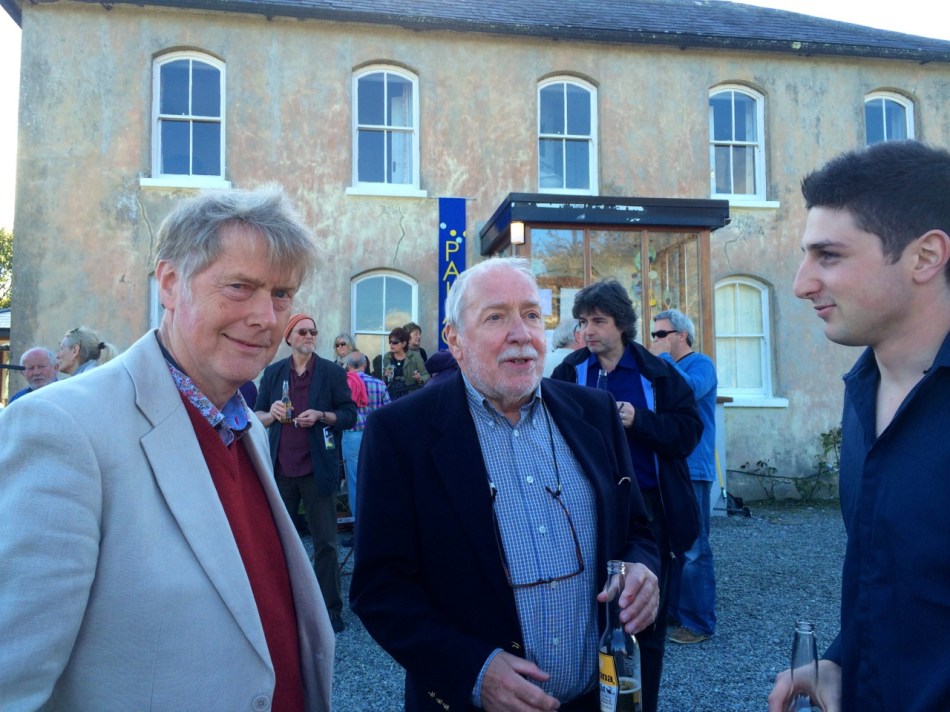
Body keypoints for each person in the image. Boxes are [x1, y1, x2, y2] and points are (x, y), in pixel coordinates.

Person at [0, 185, 334, 710]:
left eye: (281, 294)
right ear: (171, 284)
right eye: (240, 287)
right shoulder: (62, 428)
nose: (267, 318)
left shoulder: (247, 427)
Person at [351, 257, 661, 712]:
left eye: (531, 315)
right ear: (454, 341)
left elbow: (637, 529)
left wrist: (641, 570)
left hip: (598, 700)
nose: (521, 333)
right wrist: (471, 671)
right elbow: (380, 588)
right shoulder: (401, 434)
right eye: (496, 317)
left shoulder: (594, 413)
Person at [768, 141, 950, 712]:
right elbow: (898, 579)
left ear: (925, 257)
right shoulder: (862, 391)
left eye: (829, 256)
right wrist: (844, 659)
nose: (801, 284)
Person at [550, 281, 702, 712]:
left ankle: (639, 705)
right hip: (588, 510)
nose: (588, 330)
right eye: (583, 322)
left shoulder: (659, 374)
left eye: (599, 321)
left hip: (651, 513)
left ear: (623, 325)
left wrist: (640, 421)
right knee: (591, 611)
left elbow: (688, 434)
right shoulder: (569, 372)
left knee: (643, 621)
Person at [255, 313, 357, 635]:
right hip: (281, 471)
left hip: (317, 470)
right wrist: (270, 415)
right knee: (281, 542)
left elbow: (349, 414)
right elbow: (254, 416)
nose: (310, 335)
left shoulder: (329, 372)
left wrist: (322, 416)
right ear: (290, 337)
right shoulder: (273, 374)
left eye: (314, 331)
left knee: (325, 542)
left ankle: (330, 608)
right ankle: (284, 607)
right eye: (303, 331)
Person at [648, 308, 718, 646]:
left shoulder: (701, 364)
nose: (655, 340)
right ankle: (676, 611)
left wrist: (661, 362)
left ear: (681, 336)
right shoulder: (665, 366)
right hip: (669, 467)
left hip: (694, 467)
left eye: (661, 334)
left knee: (694, 547)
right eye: (653, 335)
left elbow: (687, 390)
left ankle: (699, 622)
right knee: (671, 544)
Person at [341, 350, 390, 536]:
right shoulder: (379, 384)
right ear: (365, 365)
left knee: (354, 483)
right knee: (376, 480)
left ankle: (360, 531)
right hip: (375, 437)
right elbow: (388, 412)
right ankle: (379, 525)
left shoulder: (343, 385)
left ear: (348, 366)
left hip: (352, 435)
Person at [377, 326, 428, 399]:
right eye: (390, 342)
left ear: (404, 344)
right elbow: (386, 380)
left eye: (395, 342)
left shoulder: (415, 356)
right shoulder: (387, 357)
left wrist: (419, 378)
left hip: (410, 395)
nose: (391, 344)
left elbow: (426, 375)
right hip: (391, 394)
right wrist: (385, 376)